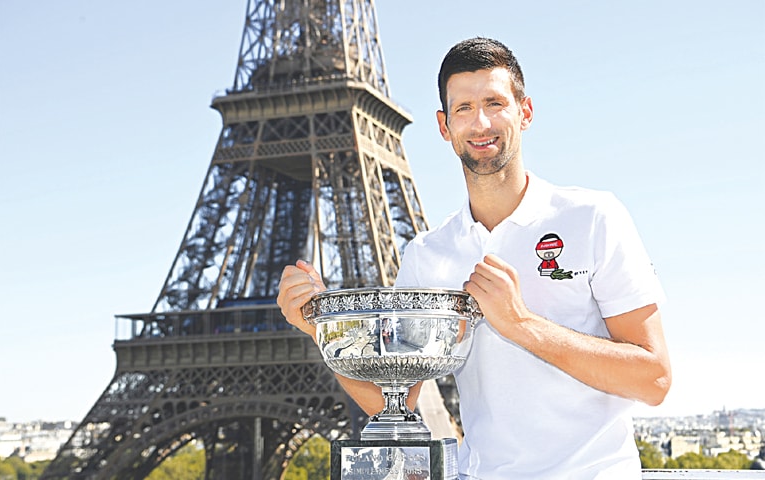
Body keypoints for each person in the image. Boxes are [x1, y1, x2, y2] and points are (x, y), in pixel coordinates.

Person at [277, 37, 672, 480]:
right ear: (445, 127)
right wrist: (321, 331)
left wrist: (523, 325)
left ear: (525, 112)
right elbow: (396, 403)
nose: (480, 122)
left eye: (495, 103)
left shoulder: (594, 218)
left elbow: (653, 379)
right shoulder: (427, 254)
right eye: (464, 108)